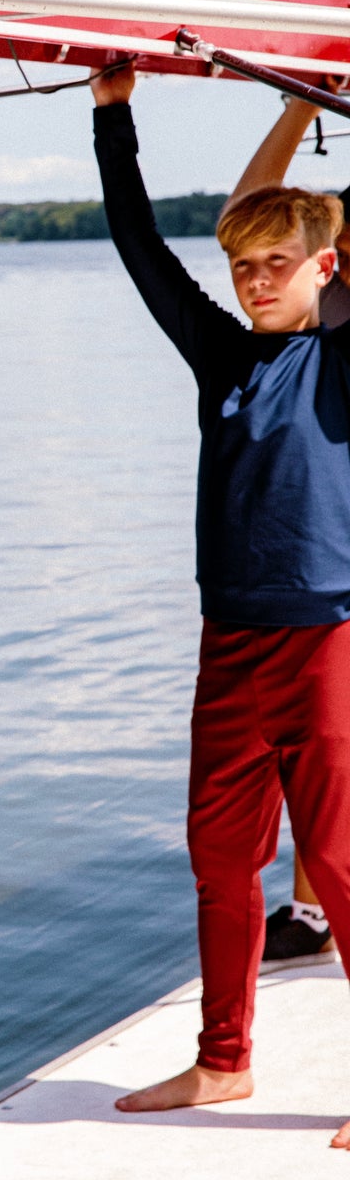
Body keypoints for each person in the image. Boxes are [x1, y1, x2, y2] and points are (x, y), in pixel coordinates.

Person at [90, 63, 350, 1150]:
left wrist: (309, 104)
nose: (253, 280)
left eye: (276, 264)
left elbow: (288, 221)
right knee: (219, 858)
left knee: (340, 861)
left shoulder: (342, 354)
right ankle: (223, 1061)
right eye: (242, 266)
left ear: (328, 265)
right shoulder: (224, 358)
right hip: (229, 645)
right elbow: (141, 244)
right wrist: (113, 117)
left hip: (328, 640)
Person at [218, 92, 350, 962]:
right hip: (315, 555)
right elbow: (245, 214)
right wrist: (302, 104)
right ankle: (310, 910)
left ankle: (313, 908)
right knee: (317, 760)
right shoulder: (301, 296)